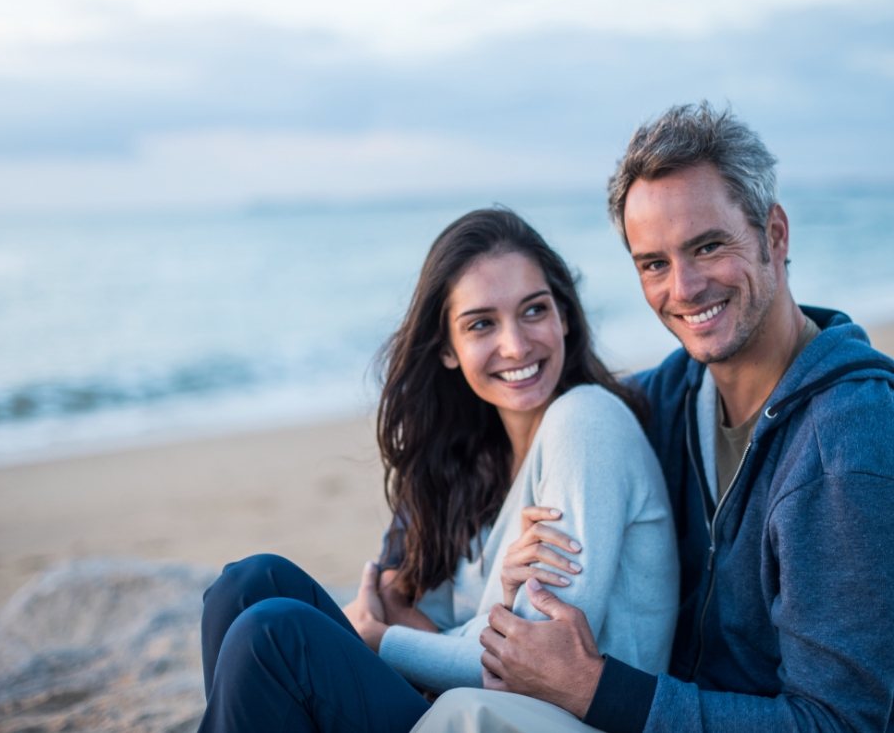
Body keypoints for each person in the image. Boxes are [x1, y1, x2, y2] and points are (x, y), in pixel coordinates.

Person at [421, 103, 894, 732]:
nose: (685, 287)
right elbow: (527, 408)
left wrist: (599, 691)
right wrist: (484, 563)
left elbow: (841, 723)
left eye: (708, 246)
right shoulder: (673, 396)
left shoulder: (847, 441)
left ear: (774, 235)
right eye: (654, 264)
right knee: (266, 599)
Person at [198, 208, 679, 733]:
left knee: (273, 636)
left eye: (534, 311)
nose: (516, 345)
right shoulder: (476, 464)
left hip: (554, 723)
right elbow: (432, 612)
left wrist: (384, 639)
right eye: (481, 324)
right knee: (249, 584)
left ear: (565, 316)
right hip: (479, 709)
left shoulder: (586, 421)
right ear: (448, 349)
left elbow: (531, 660)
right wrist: (475, 609)